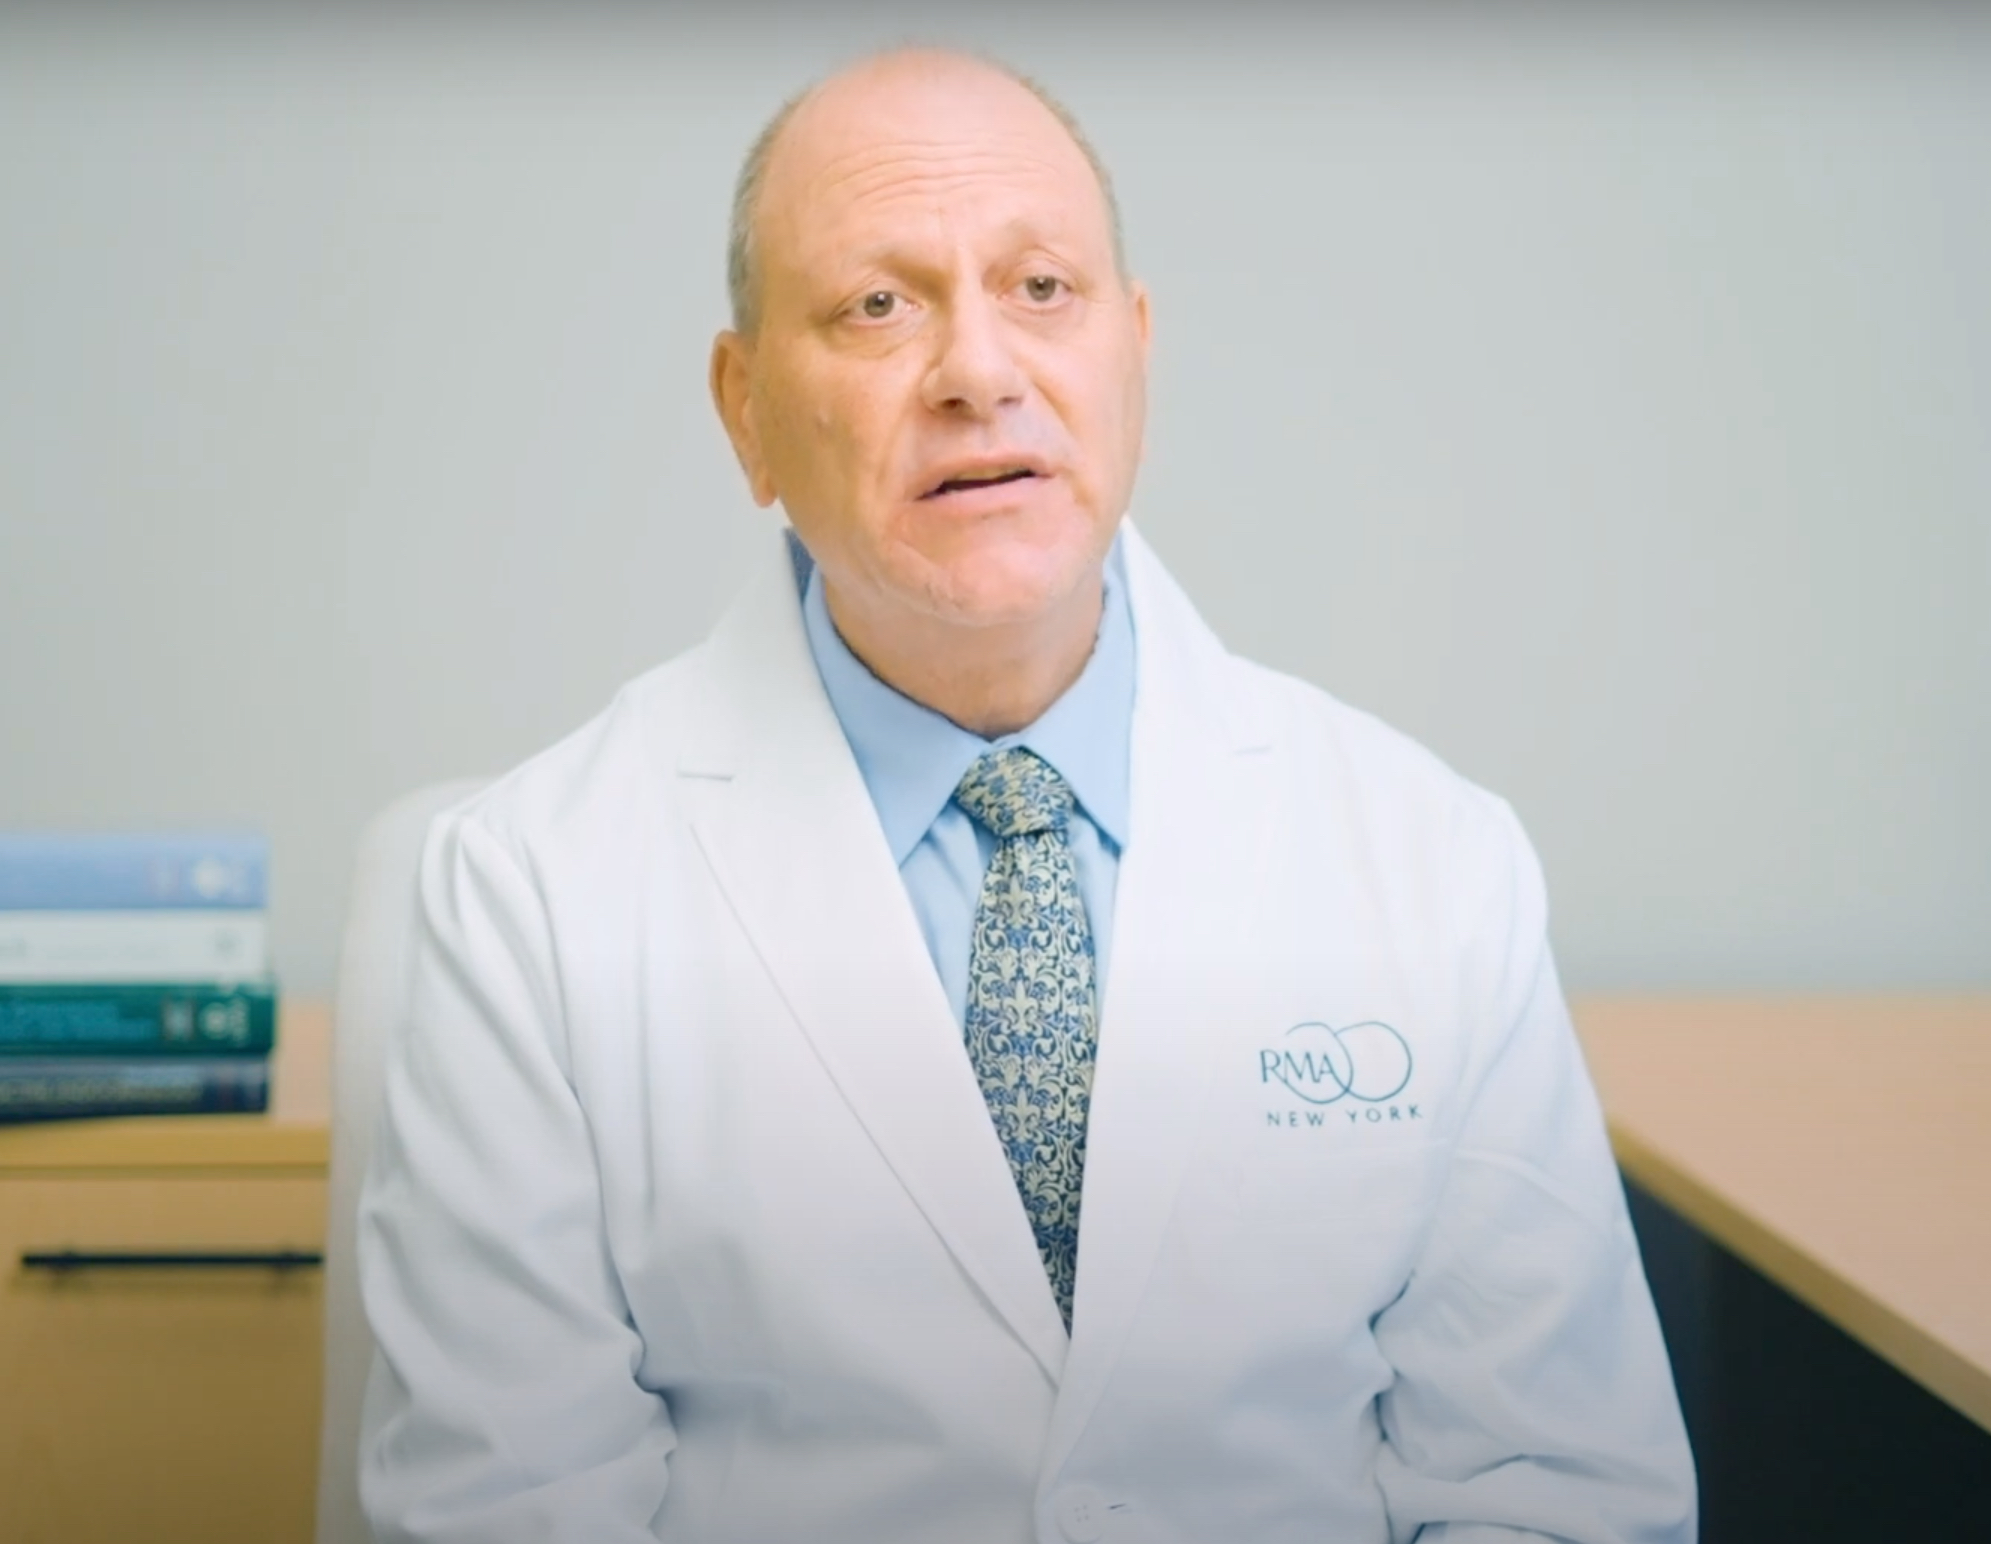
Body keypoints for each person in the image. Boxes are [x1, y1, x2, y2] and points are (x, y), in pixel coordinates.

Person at [357, 46, 1695, 1544]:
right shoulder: (528, 895)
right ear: (746, 412)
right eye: (878, 305)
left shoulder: (1431, 858)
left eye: (1043, 289)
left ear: (1135, 355)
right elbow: (508, 1505)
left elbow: (1552, 1482)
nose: (979, 373)